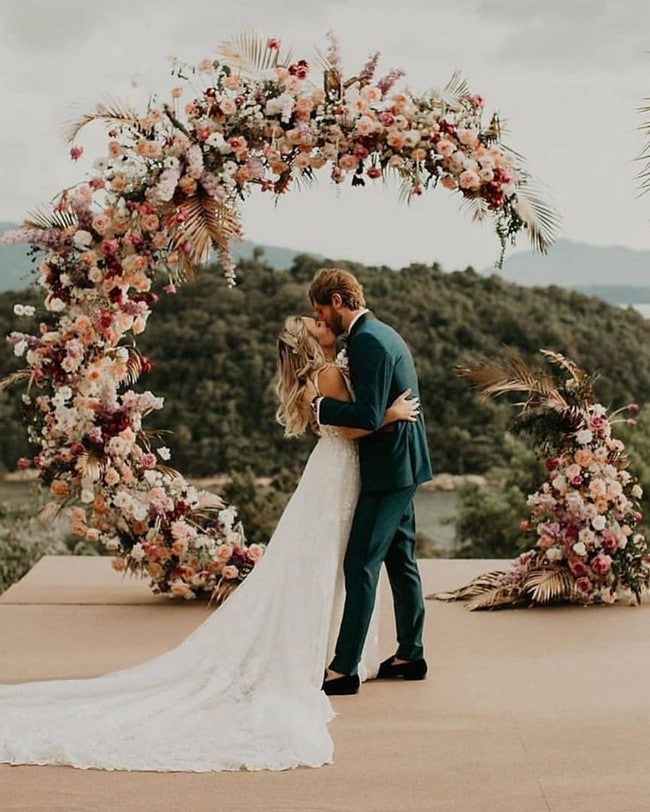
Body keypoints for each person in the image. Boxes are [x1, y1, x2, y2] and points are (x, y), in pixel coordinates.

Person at [0, 315, 418, 773]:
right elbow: (361, 424)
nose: (321, 324)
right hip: (348, 471)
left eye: (317, 318)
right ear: (309, 342)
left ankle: (354, 654)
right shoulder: (332, 373)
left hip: (335, 475)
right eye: (313, 323)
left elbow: (338, 415)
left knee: (326, 561)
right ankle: (348, 660)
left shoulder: (315, 377)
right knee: (348, 563)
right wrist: (390, 413)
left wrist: (337, 408)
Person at [307, 268, 433, 697]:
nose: (321, 317)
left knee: (360, 563)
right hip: (402, 465)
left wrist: (319, 406)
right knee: (400, 559)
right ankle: (410, 655)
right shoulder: (382, 333)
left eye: (321, 308)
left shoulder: (367, 342)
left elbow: (366, 416)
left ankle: (343, 670)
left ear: (339, 301)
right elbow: (382, 410)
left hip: (388, 470)